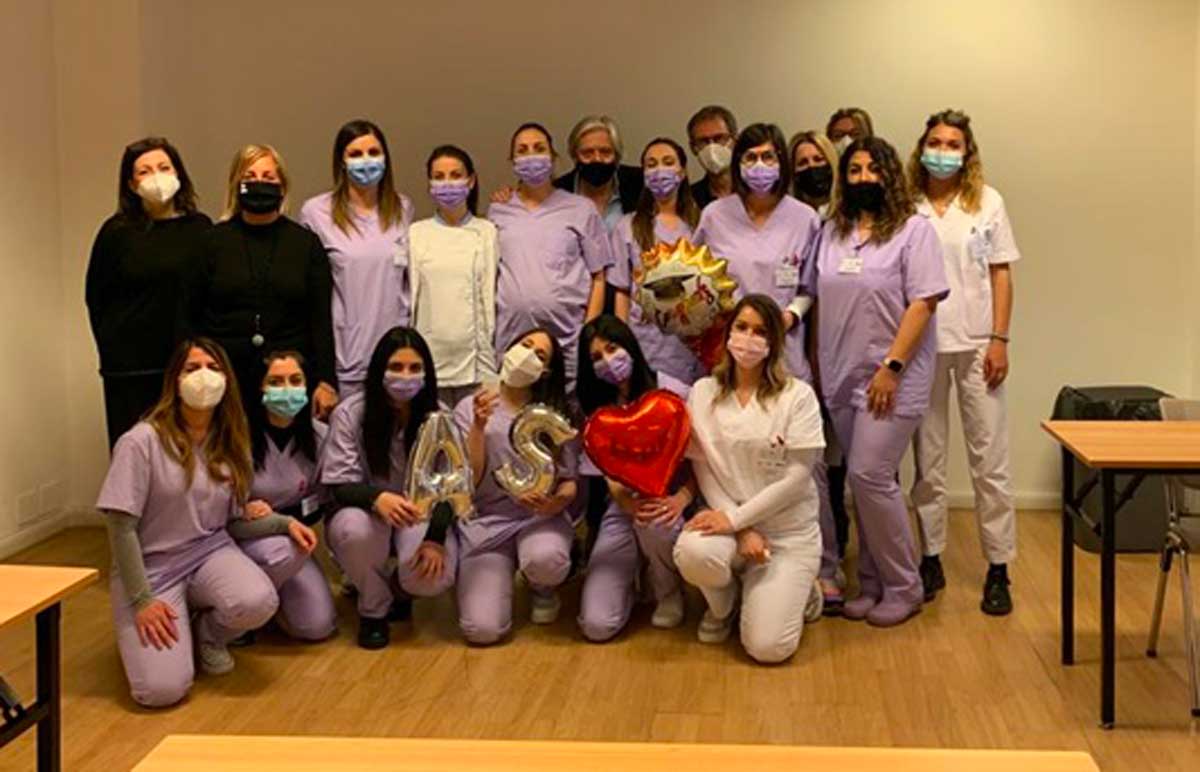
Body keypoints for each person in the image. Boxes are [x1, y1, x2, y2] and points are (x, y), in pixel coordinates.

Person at [97, 338, 308, 707]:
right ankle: (156, 636)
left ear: (227, 379)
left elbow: (231, 524)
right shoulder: (141, 441)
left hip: (210, 553)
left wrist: (283, 524)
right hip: (153, 569)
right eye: (192, 369)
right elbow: (120, 527)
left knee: (258, 601)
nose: (204, 377)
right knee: (160, 691)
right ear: (174, 381)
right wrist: (142, 600)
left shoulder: (231, 440)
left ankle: (207, 633)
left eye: (213, 368)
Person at [806, 136, 949, 627]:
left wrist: (891, 367)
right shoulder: (831, 232)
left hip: (892, 377)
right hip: (840, 374)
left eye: (873, 169)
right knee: (864, 483)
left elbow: (923, 303)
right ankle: (871, 583)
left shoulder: (914, 231)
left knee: (869, 474)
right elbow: (818, 299)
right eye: (854, 170)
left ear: (890, 175)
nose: (863, 178)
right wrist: (818, 366)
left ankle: (905, 586)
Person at [907, 109, 1019, 615]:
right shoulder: (907, 204)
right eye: (936, 142)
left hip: (977, 344)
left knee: (989, 462)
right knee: (928, 463)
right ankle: (931, 556)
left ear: (967, 152)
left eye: (953, 144)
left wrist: (1000, 338)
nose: (943, 151)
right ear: (922, 147)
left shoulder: (987, 201)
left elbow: (1001, 274)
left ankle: (999, 567)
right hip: (923, 345)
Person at [673, 295, 825, 663]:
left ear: (775, 341)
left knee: (768, 648)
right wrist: (738, 527)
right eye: (741, 327)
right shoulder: (703, 392)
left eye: (760, 332)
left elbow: (797, 478)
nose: (748, 338)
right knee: (692, 553)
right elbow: (704, 467)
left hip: (786, 534)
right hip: (730, 524)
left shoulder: (797, 396)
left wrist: (737, 520)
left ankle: (803, 590)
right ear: (727, 334)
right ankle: (723, 608)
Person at [322, 327, 454, 649]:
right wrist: (377, 498)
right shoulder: (351, 414)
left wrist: (436, 538)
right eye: (396, 367)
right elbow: (339, 484)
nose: (405, 376)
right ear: (379, 369)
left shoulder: (441, 417)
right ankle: (373, 608)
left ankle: (398, 590)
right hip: (365, 510)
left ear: (427, 373)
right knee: (353, 533)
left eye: (414, 368)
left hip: (418, 512)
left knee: (436, 575)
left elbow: (451, 486)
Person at [185, 144, 337, 423]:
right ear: (236, 185)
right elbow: (188, 316)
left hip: (288, 381)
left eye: (268, 177)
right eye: (250, 177)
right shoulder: (211, 243)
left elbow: (320, 320)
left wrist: (327, 381)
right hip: (226, 379)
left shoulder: (305, 244)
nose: (259, 183)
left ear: (283, 186)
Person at [453, 329, 578, 644]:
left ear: (545, 371)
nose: (528, 355)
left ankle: (543, 587)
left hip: (539, 520)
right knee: (482, 630)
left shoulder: (553, 413)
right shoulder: (470, 407)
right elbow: (469, 479)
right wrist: (478, 427)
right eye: (525, 345)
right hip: (486, 522)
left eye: (540, 355)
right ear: (508, 350)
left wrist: (555, 504)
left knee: (546, 560)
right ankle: (497, 579)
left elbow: (569, 483)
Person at [86, 137, 211, 449]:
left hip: (186, 365)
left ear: (178, 173)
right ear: (131, 184)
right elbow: (96, 298)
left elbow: (209, 293)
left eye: (164, 167)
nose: (156, 176)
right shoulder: (116, 233)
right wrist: (112, 353)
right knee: (135, 452)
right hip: (130, 371)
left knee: (187, 453)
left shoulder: (200, 229)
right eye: (144, 171)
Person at [576, 315, 694, 641]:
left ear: (629, 345)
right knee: (597, 625)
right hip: (624, 507)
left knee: (656, 524)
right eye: (596, 357)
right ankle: (630, 579)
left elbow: (704, 461)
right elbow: (607, 472)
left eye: (612, 348)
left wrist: (681, 498)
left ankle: (668, 589)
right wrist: (627, 504)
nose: (608, 360)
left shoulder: (673, 392)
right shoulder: (597, 410)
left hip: (670, 502)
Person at [693, 123, 820, 385]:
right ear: (738, 164)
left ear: (782, 162)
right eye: (750, 157)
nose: (759, 165)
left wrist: (790, 316)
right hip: (731, 345)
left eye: (768, 157)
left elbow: (809, 288)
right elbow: (696, 280)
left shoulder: (804, 218)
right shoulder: (715, 216)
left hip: (784, 344)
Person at [489, 122, 612, 387]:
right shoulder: (497, 211)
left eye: (539, 148)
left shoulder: (581, 209)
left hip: (567, 341)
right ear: (512, 161)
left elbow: (599, 277)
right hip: (512, 339)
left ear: (553, 157)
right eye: (522, 150)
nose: (531, 156)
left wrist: (587, 334)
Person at [299, 120, 413, 401]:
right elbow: (309, 294)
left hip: (395, 358)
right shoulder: (316, 213)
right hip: (345, 359)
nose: (366, 161)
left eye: (373, 152)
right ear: (341, 161)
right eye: (355, 154)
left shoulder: (403, 209)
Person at [234, 350, 337, 643]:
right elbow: (222, 518)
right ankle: (238, 613)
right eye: (276, 382)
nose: (287, 390)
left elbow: (321, 504)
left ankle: (268, 603)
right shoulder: (236, 437)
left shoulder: (320, 436)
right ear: (259, 387)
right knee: (280, 552)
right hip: (241, 542)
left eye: (295, 380)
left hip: (294, 540)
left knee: (317, 626)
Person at [608, 137, 704, 384]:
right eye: (651, 164)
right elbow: (621, 290)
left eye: (668, 162)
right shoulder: (627, 227)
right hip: (646, 341)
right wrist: (623, 341)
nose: (660, 170)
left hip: (690, 343)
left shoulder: (701, 224)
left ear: (682, 172)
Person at [409, 145, 499, 408]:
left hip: (476, 364)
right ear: (429, 184)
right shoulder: (416, 234)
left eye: (455, 175)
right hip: (429, 361)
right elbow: (410, 303)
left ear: (471, 181)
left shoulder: (487, 231)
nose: (447, 183)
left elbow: (490, 300)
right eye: (439, 177)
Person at [552, 114, 644, 232]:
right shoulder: (557, 193)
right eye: (587, 153)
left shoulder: (640, 184)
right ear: (575, 156)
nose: (597, 159)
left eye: (605, 152)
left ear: (617, 155)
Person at [686, 105, 739, 209]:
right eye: (703, 141)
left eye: (719, 138)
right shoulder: (688, 200)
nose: (712, 146)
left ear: (735, 141)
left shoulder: (757, 191)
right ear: (693, 148)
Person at [788, 131, 839, 217]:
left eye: (818, 159)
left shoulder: (848, 212)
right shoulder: (789, 215)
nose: (811, 165)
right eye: (802, 163)